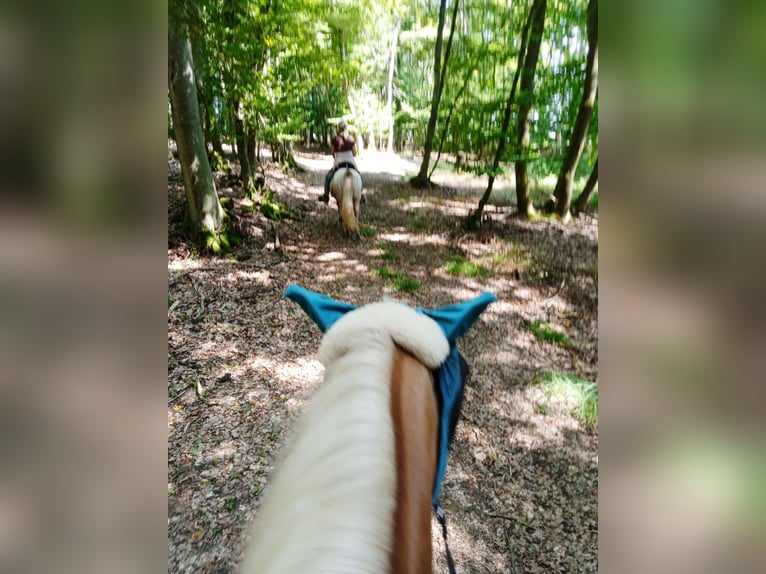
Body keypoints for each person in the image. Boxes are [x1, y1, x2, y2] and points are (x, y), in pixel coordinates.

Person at [319, 121, 364, 204]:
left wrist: (335, 157)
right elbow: (354, 153)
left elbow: (332, 152)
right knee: (359, 176)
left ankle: (326, 196)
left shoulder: (335, 139)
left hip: (339, 161)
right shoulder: (351, 138)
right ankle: (361, 195)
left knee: (328, 177)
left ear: (338, 128)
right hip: (350, 161)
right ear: (346, 128)